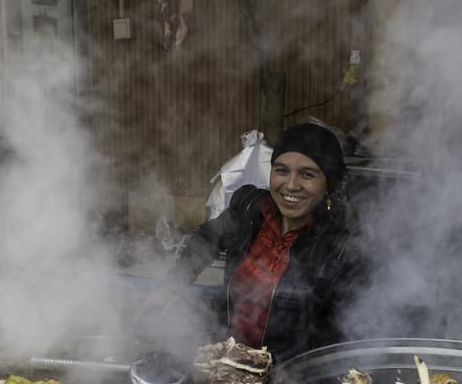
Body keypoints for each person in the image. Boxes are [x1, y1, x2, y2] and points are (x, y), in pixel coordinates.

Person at [150, 123, 361, 362]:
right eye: (281, 170)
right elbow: (206, 238)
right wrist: (170, 286)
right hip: (226, 363)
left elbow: (343, 338)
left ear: (328, 184)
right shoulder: (249, 208)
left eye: (307, 174)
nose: (291, 185)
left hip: (289, 383)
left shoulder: (342, 248)